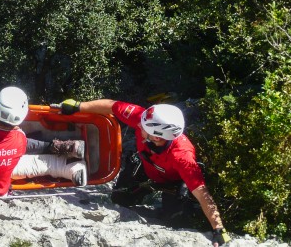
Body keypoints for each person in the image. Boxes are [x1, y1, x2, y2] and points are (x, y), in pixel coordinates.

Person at [59, 99, 231, 246]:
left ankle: (187, 208)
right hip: (147, 169)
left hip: (173, 183)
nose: (138, 125)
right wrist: (78, 106)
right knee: (119, 199)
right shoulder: (145, 118)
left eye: (143, 127)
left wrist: (218, 229)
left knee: (173, 220)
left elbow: (202, 193)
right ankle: (145, 189)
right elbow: (112, 105)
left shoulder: (183, 157)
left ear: (157, 137)